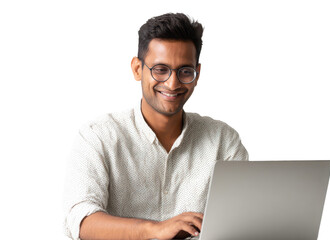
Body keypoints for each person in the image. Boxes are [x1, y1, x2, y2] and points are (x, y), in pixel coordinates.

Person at [63, 13, 248, 240]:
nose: (172, 83)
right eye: (160, 69)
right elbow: (81, 220)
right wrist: (156, 229)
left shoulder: (223, 141)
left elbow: (240, 222)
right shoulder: (98, 137)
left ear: (197, 74)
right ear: (137, 69)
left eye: (185, 71)